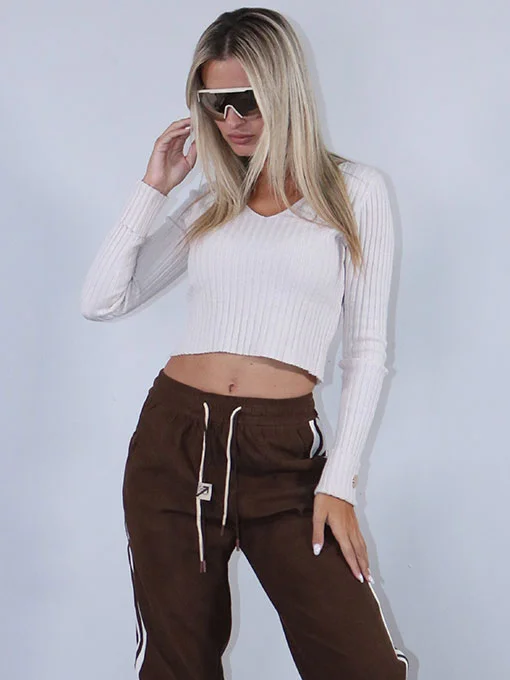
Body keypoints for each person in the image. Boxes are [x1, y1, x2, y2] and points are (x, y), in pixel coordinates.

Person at [80, 7, 409, 680]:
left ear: (285, 90)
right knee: (178, 666)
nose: (232, 120)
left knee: (363, 666)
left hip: (282, 455)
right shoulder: (212, 201)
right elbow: (102, 299)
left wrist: (339, 483)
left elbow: (367, 349)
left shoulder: (355, 192)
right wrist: (153, 188)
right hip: (174, 443)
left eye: (247, 101)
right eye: (215, 103)